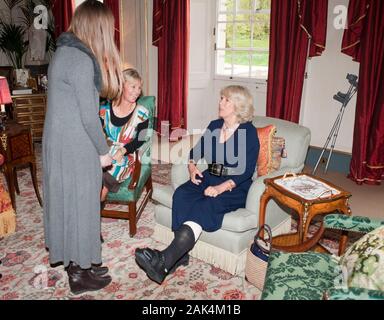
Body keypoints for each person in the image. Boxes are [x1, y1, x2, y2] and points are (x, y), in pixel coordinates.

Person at [135, 85, 260, 284]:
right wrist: (192, 169)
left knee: (206, 204)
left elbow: (245, 172)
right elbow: (195, 151)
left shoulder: (248, 132)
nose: (220, 103)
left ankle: (165, 260)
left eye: (226, 100)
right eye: (221, 98)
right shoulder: (214, 125)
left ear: (238, 106)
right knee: (182, 194)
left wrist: (219, 188)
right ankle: (180, 253)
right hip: (209, 176)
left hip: (234, 185)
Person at [42, 0, 123, 295]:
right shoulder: (80, 59)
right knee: (82, 203)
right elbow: (89, 116)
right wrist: (104, 153)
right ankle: (78, 275)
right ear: (97, 27)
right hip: (76, 144)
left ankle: (83, 261)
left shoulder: (63, 51)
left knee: (69, 200)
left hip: (60, 140)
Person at [99, 68, 150, 203]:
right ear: (121, 86)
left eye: (139, 88)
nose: (137, 92)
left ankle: (93, 214)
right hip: (104, 150)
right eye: (133, 86)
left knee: (103, 183)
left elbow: (140, 139)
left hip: (126, 155)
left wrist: (122, 150)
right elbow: (95, 133)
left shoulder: (142, 113)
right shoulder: (104, 109)